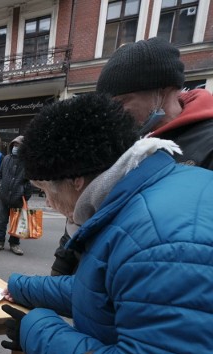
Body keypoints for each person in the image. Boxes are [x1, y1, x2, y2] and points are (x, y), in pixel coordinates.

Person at [1, 92, 213, 354]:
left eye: (46, 191)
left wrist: (36, 329)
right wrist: (21, 286)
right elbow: (106, 291)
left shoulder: (158, 240)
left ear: (76, 181)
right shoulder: (147, 197)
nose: (50, 203)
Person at [50, 37, 213, 276]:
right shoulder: (123, 140)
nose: (113, 113)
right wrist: (59, 273)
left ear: (163, 90)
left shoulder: (207, 143)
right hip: (101, 282)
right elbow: (83, 218)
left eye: (122, 101)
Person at [0, 136, 31, 255]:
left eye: (18, 146)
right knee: (1, 221)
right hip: (4, 197)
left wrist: (24, 195)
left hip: (18, 199)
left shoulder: (26, 162)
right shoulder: (6, 158)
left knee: (17, 223)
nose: (15, 148)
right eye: (14, 145)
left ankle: (14, 244)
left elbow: (29, 182)